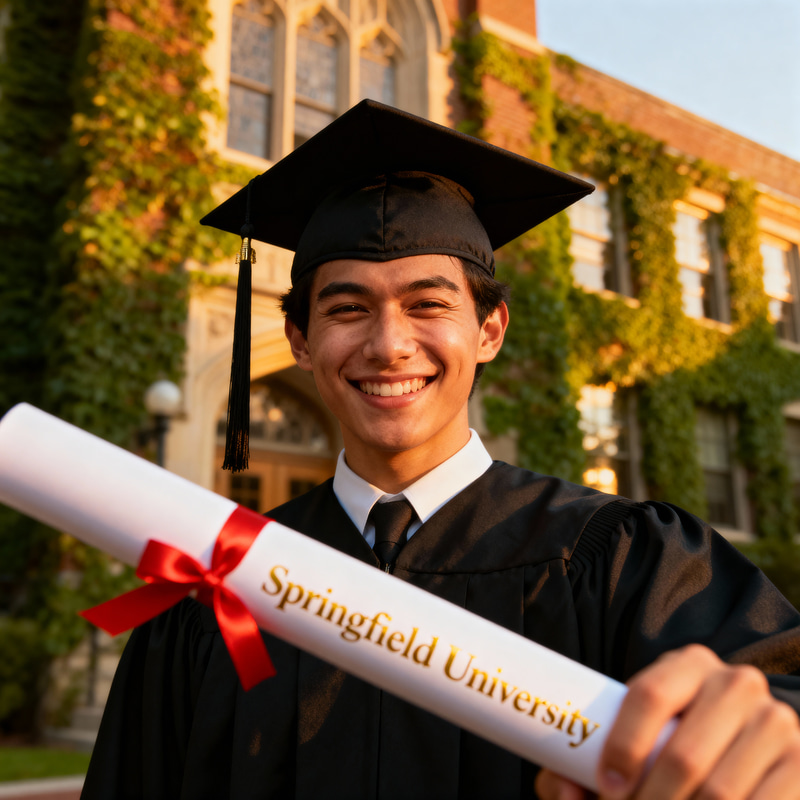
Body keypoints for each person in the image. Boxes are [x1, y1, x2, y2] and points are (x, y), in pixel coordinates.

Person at [82, 101, 800, 799]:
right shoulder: (219, 588)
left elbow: (772, 696)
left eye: (428, 304)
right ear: (300, 340)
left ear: (489, 330)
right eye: (347, 307)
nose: (389, 344)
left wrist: (763, 743)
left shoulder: (617, 563)